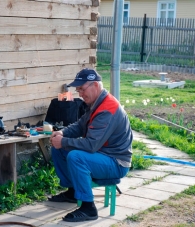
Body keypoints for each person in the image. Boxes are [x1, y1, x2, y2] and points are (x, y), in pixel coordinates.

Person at [48, 68, 133, 222]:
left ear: (95, 85)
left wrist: (64, 142)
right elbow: (80, 125)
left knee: (76, 157)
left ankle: (88, 208)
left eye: (82, 88)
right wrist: (63, 134)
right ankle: (73, 192)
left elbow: (91, 145)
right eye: (78, 89)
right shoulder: (96, 102)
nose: (79, 93)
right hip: (102, 155)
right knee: (58, 149)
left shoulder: (107, 109)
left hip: (116, 162)